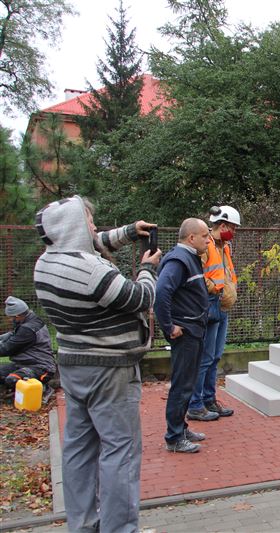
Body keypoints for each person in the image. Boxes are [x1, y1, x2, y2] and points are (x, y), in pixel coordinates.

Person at [33, 195, 159, 533]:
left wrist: (129, 232)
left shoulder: (47, 262)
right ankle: (119, 528)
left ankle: (83, 525)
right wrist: (148, 269)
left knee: (79, 449)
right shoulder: (91, 272)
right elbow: (141, 298)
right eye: (88, 220)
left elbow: (93, 242)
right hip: (110, 371)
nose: (93, 226)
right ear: (74, 226)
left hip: (74, 366)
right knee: (120, 451)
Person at [154, 218, 213, 453]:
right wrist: (169, 327)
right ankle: (174, 437)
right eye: (205, 236)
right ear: (191, 238)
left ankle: (181, 428)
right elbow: (161, 292)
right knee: (181, 385)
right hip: (185, 333)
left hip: (194, 330)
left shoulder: (190, 258)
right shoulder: (178, 260)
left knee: (187, 383)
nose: (208, 241)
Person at [187, 205, 240, 422]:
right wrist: (215, 289)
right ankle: (195, 405)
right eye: (233, 228)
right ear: (223, 225)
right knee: (205, 358)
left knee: (215, 356)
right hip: (210, 304)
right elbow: (198, 273)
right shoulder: (206, 244)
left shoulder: (223, 246)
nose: (234, 232)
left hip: (221, 306)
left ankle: (209, 400)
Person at [0, 296, 56, 402]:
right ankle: (10, 393)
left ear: (18, 315)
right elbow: (12, 335)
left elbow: (6, 348)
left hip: (41, 367)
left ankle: (44, 389)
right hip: (23, 364)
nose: (10, 320)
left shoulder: (28, 329)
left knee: (13, 379)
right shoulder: (30, 319)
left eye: (11, 317)